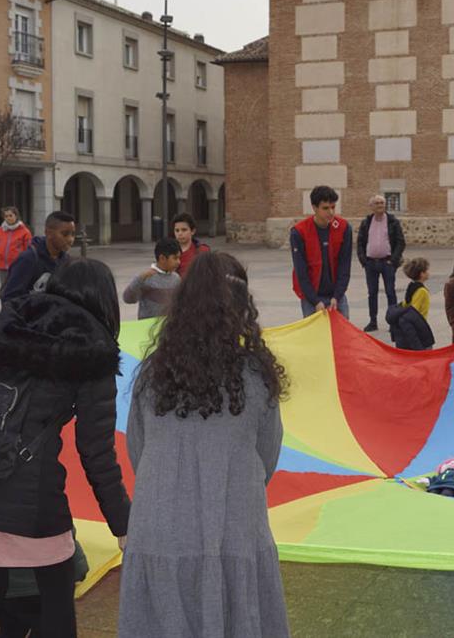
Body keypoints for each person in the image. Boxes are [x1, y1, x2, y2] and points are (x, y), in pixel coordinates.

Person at [0, 259, 130, 638]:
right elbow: (96, 452)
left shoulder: (12, 324)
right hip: (31, 494)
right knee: (57, 589)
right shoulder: (93, 353)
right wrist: (123, 522)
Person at [119, 252, 290, 638]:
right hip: (233, 520)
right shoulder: (256, 376)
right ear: (241, 307)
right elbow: (267, 456)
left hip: (159, 522)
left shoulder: (153, 372)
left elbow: (137, 449)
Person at [291, 185, 352, 318]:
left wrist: (337, 296)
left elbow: (344, 266)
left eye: (333, 207)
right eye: (325, 208)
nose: (330, 212)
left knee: (341, 335)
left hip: (336, 295)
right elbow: (301, 271)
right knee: (314, 337)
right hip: (311, 296)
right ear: (314, 208)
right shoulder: (299, 232)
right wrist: (315, 301)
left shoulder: (344, 228)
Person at [0, 211, 76, 304]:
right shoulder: (28, 259)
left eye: (73, 234)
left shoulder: (66, 261)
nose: (70, 239)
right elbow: (9, 297)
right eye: (65, 234)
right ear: (48, 233)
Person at [357, 194, 406, 333]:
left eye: (382, 203)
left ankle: (393, 322)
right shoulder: (366, 222)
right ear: (371, 206)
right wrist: (363, 260)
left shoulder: (392, 221)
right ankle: (373, 321)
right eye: (377, 203)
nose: (380, 205)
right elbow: (360, 242)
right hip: (370, 263)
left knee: (390, 292)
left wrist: (393, 260)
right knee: (372, 293)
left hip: (387, 263)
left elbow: (400, 241)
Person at [122, 238, 182, 320]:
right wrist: (140, 279)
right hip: (147, 327)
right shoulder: (146, 278)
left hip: (169, 327)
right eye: (175, 258)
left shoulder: (176, 278)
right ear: (162, 258)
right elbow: (128, 299)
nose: (179, 262)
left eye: (179, 258)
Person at [387, 258, 434, 350]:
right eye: (426, 271)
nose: (428, 272)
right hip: (418, 327)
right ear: (422, 274)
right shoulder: (422, 291)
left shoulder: (411, 286)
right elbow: (414, 310)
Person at [0, 207, 33, 290]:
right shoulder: (0, 230)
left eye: (10, 215)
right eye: (6, 216)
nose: (8, 218)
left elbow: (29, 248)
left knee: (15, 288)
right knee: (4, 289)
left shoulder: (24, 231)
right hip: (2, 265)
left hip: (17, 265)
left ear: (16, 216)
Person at [170, 213, 210, 278]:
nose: (180, 233)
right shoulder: (168, 251)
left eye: (184, 230)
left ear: (193, 231)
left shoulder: (202, 250)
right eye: (177, 230)